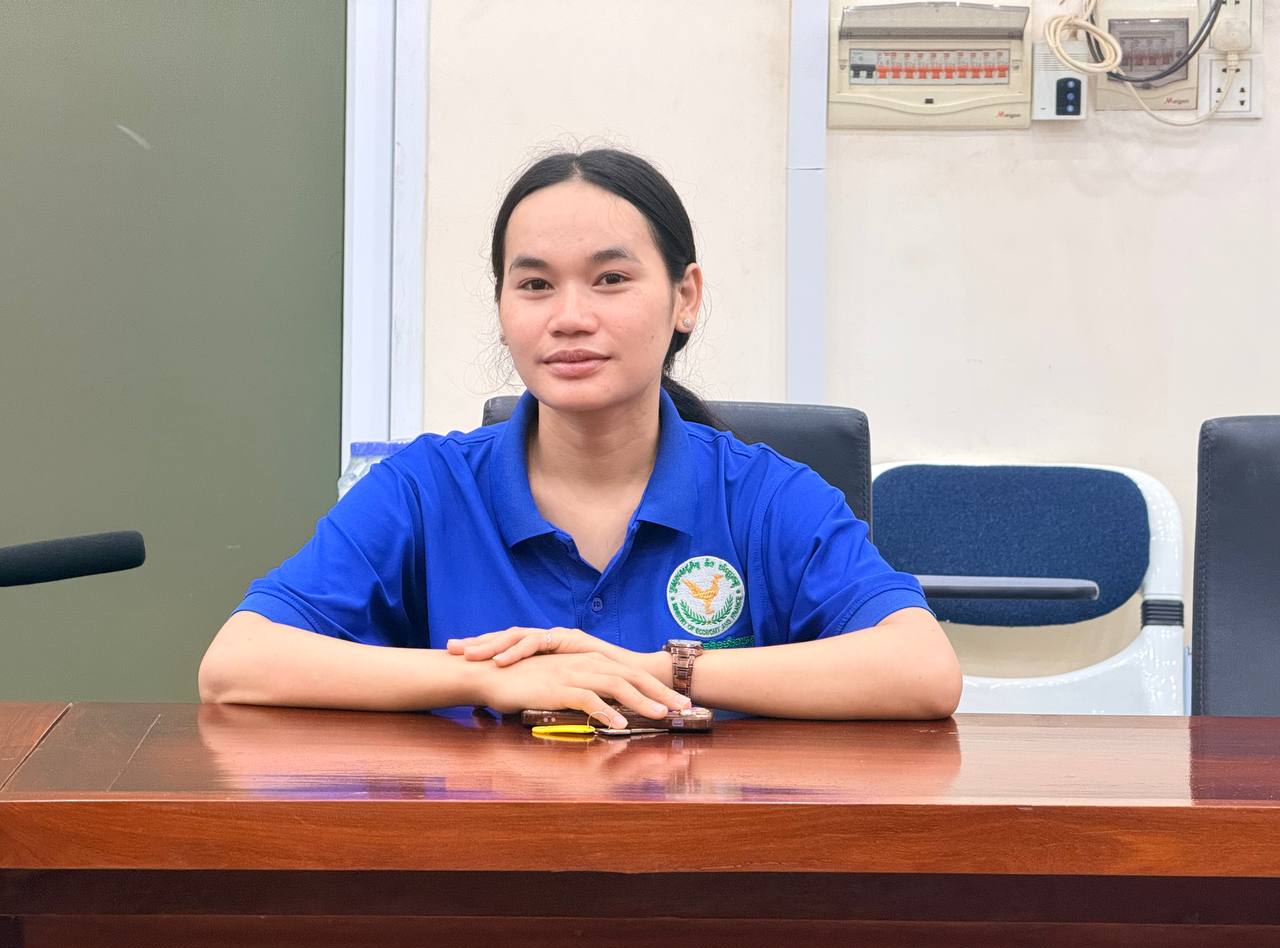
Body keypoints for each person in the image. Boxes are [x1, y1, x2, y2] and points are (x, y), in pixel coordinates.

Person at [198, 148, 962, 726]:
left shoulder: (765, 495)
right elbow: (237, 663)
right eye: (534, 284)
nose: (569, 317)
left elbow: (922, 671)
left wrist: (652, 669)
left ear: (685, 297)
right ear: (502, 307)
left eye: (611, 280)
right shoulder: (428, 487)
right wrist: (485, 678)